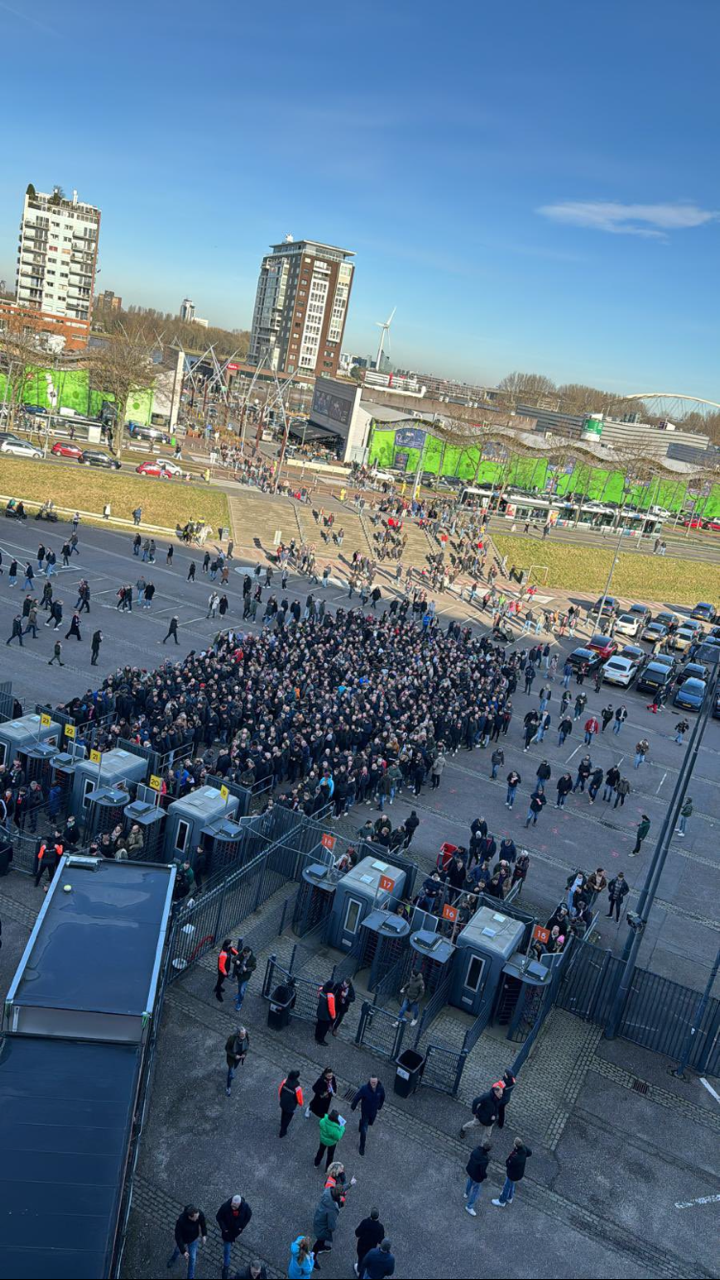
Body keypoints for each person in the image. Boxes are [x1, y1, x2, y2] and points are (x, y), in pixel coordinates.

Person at [216, 1195, 252, 1280]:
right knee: (227, 1250)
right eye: (232, 1206)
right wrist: (224, 1228)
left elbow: (248, 1215)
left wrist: (242, 1226)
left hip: (236, 1231)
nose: (233, 1208)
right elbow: (218, 1217)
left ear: (239, 1204)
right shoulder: (225, 1206)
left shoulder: (245, 1207)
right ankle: (226, 1266)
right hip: (228, 1232)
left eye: (235, 1207)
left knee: (228, 1246)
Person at [167, 1205, 207, 1277]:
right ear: (190, 1217)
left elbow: (203, 1223)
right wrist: (184, 1251)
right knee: (177, 1250)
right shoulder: (181, 1221)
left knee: (192, 1258)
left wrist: (204, 1234)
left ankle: (190, 1276)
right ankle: (173, 1259)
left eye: (198, 1216)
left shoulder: (199, 1214)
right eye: (196, 1217)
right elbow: (178, 1237)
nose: (198, 1218)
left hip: (193, 1239)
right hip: (183, 1240)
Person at [492, 1137, 533, 1208]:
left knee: (506, 1186)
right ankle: (510, 1197)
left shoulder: (515, 1158)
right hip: (519, 1173)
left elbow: (508, 1164)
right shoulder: (524, 1149)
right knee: (511, 1184)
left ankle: (502, 1201)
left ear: (516, 1146)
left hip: (512, 1174)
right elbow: (530, 1153)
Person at [351, 1075, 385, 1155]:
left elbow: (383, 1097)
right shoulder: (364, 1089)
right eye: (372, 1082)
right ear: (369, 1081)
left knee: (370, 1123)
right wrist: (353, 1106)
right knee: (364, 1131)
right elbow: (357, 1098)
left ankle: (361, 1123)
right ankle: (362, 1146)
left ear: (377, 1082)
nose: (373, 1083)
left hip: (373, 1112)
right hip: (365, 1112)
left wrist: (380, 1106)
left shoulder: (380, 1088)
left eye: (375, 1082)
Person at [312, 1184, 343, 1270]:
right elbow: (331, 1226)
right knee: (319, 1242)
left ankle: (325, 1247)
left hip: (318, 1219)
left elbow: (340, 1189)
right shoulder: (332, 1209)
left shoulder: (328, 1192)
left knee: (324, 1239)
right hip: (322, 1227)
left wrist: (350, 1184)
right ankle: (313, 1258)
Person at [464, 1137, 491, 1216]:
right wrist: (485, 1176)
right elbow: (482, 1171)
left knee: (470, 1181)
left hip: (471, 1170)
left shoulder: (476, 1150)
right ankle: (469, 1206)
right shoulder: (485, 1159)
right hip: (477, 1176)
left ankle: (466, 1193)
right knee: (475, 1190)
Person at [354, 1209, 384, 1277]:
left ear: (371, 1215)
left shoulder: (365, 1222)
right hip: (371, 1248)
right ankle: (363, 1272)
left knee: (361, 1258)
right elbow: (380, 1240)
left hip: (362, 1246)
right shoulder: (380, 1227)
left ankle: (359, 1270)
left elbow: (357, 1233)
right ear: (378, 1217)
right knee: (368, 1260)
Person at [224, 1025, 249, 1096]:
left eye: (244, 1034)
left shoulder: (246, 1034)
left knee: (234, 1067)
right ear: (238, 1034)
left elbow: (247, 1045)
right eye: (242, 1035)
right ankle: (228, 1087)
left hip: (240, 1056)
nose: (244, 1036)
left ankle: (231, 1071)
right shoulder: (232, 1039)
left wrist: (244, 1053)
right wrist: (234, 1056)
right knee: (230, 1073)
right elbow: (227, 1049)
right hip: (232, 1057)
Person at [279, 1070, 304, 1137]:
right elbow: (299, 1099)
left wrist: (281, 1099)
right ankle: (283, 1131)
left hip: (283, 1103)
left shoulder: (285, 1081)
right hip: (290, 1106)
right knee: (287, 1118)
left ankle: (282, 1124)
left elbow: (280, 1090)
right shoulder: (297, 1088)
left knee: (283, 1114)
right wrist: (301, 1104)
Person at [233, 945, 257, 1011]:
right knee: (239, 986)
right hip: (239, 975)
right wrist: (236, 961)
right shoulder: (241, 954)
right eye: (243, 953)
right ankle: (238, 995)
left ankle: (239, 1003)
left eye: (245, 954)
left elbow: (254, 967)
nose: (244, 955)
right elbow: (233, 959)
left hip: (245, 977)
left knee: (242, 990)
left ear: (249, 952)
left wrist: (247, 969)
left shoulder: (253, 958)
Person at [214, 938, 238, 1002]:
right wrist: (225, 973)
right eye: (232, 943)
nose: (233, 944)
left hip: (226, 969)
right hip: (222, 971)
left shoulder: (228, 949)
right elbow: (221, 966)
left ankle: (217, 987)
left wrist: (238, 954)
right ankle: (218, 993)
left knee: (221, 980)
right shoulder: (223, 954)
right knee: (220, 980)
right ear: (228, 945)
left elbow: (233, 951)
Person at [315, 980, 337, 1046]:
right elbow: (331, 1008)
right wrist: (333, 1017)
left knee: (319, 1025)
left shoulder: (321, 989)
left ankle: (316, 1036)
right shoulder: (330, 995)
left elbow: (318, 996)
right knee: (324, 1028)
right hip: (326, 1015)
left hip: (320, 1011)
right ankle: (320, 1040)